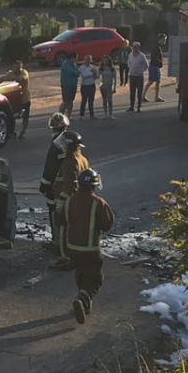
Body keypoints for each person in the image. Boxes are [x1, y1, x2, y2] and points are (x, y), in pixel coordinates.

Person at [66, 168, 115, 324]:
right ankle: (82, 298)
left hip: (72, 248)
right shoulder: (98, 203)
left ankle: (85, 304)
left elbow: (61, 219)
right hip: (90, 249)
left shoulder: (70, 200)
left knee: (81, 274)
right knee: (95, 278)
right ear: (94, 185)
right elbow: (107, 224)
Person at [49, 130, 88, 271]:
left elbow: (70, 185)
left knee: (64, 231)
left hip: (68, 202)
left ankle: (66, 259)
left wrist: (61, 201)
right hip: (77, 201)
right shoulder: (82, 158)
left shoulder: (70, 162)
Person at [38, 113, 71, 256]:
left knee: (54, 212)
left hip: (56, 186)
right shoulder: (72, 140)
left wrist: (44, 185)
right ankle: (67, 241)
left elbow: (50, 167)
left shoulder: (56, 144)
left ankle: (57, 243)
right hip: (70, 184)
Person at [0, 60, 31, 139]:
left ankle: (23, 131)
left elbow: (21, 79)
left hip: (25, 98)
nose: (17, 69)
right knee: (12, 116)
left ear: (21, 67)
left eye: (18, 67)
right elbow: (1, 78)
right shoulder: (11, 73)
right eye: (15, 67)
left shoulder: (24, 72)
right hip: (15, 99)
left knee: (25, 116)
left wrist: (10, 79)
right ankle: (12, 132)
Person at [126, 42, 148, 112]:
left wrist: (141, 70)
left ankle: (139, 107)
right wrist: (131, 69)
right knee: (132, 92)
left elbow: (146, 65)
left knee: (139, 91)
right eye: (133, 47)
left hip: (139, 76)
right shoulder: (130, 55)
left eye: (135, 47)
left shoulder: (142, 56)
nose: (134, 48)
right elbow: (128, 62)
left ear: (138, 47)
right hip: (132, 75)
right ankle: (132, 106)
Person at [146, 35, 166, 103]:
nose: (164, 41)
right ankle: (155, 97)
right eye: (163, 40)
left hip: (154, 66)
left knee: (155, 81)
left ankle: (155, 96)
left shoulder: (158, 47)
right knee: (154, 81)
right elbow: (154, 58)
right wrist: (160, 63)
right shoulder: (156, 47)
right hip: (154, 66)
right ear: (160, 40)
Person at [77, 55, 98, 120]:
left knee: (91, 101)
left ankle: (92, 114)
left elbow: (96, 77)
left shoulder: (93, 67)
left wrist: (94, 74)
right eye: (87, 59)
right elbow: (84, 76)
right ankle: (82, 115)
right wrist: (92, 74)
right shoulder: (81, 67)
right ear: (85, 60)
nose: (88, 61)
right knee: (84, 100)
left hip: (92, 85)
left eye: (89, 59)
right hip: (85, 85)